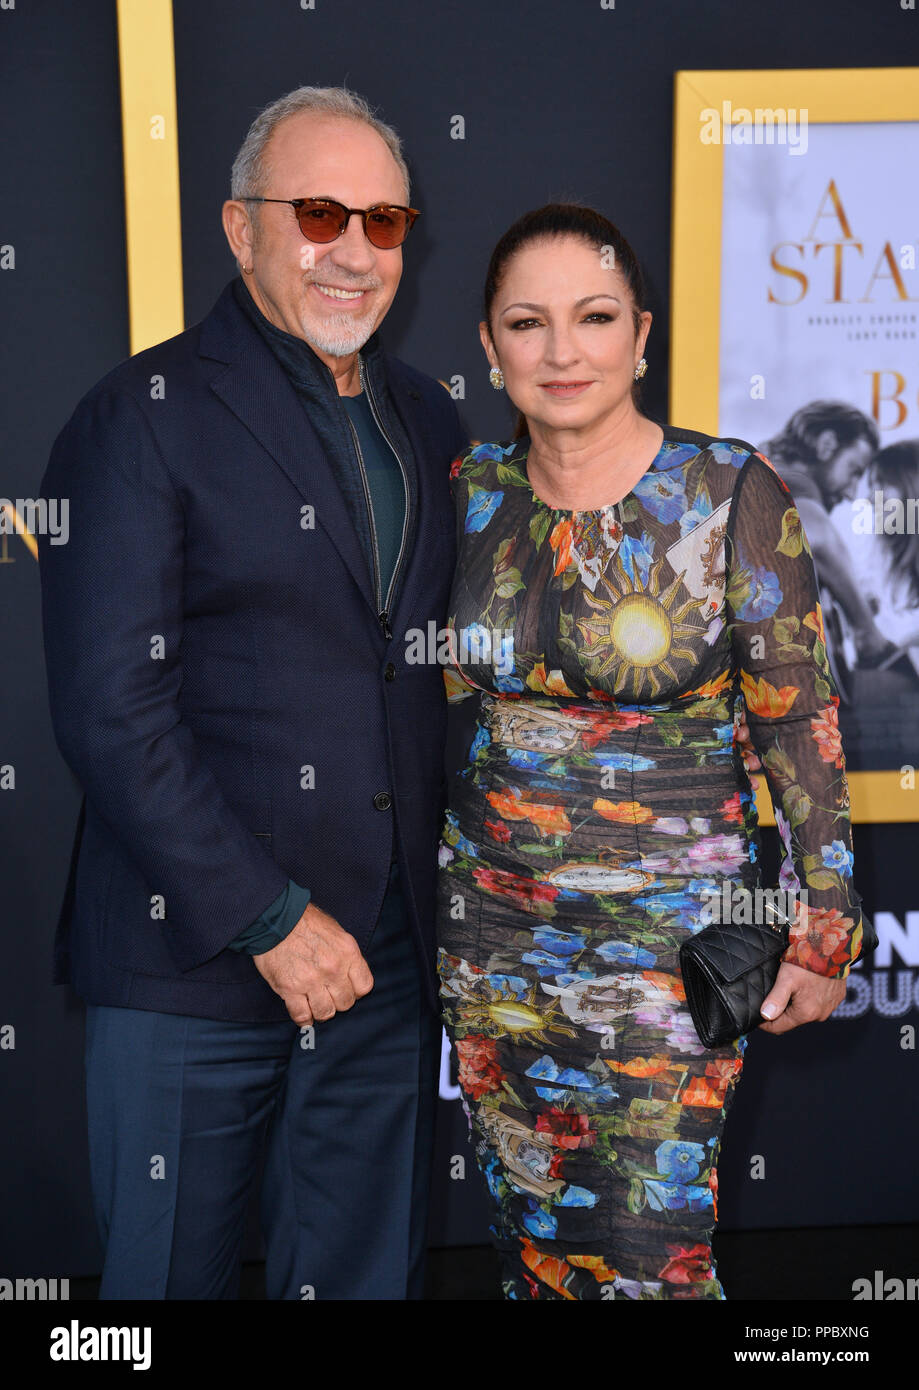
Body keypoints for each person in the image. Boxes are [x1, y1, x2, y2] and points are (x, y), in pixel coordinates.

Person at [38, 85, 466, 1300]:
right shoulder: (141, 416)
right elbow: (110, 709)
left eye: (384, 221)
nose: (354, 250)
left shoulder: (427, 418)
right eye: (319, 211)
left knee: (359, 1279)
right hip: (194, 959)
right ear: (239, 228)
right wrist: (270, 920)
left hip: (382, 967)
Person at [436, 204, 865, 1301]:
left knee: (648, 1255)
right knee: (532, 1243)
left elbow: (796, 717)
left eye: (594, 317)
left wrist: (824, 920)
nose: (562, 350)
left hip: (669, 958)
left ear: (641, 334)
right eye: (527, 323)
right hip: (494, 942)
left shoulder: (730, 493)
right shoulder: (469, 493)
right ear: (489, 347)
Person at [759, 402, 896, 679]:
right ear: (826, 445)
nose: (851, 492)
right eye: (854, 470)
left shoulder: (761, 474)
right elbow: (818, 537)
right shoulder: (787, 481)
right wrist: (866, 631)